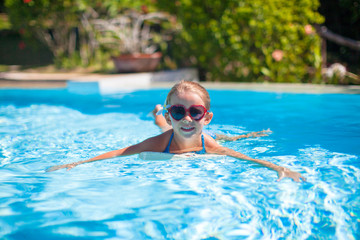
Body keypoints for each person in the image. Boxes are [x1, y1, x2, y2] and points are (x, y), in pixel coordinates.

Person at [47, 81, 306, 182]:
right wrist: (78, 163)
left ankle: (244, 133)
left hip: (209, 139)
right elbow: (120, 153)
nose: (187, 118)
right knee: (158, 125)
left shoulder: (210, 144)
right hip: (166, 131)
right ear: (173, 116)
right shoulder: (160, 141)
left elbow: (244, 157)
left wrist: (277, 167)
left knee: (227, 139)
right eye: (179, 112)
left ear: (206, 117)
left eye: (195, 112)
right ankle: (157, 114)